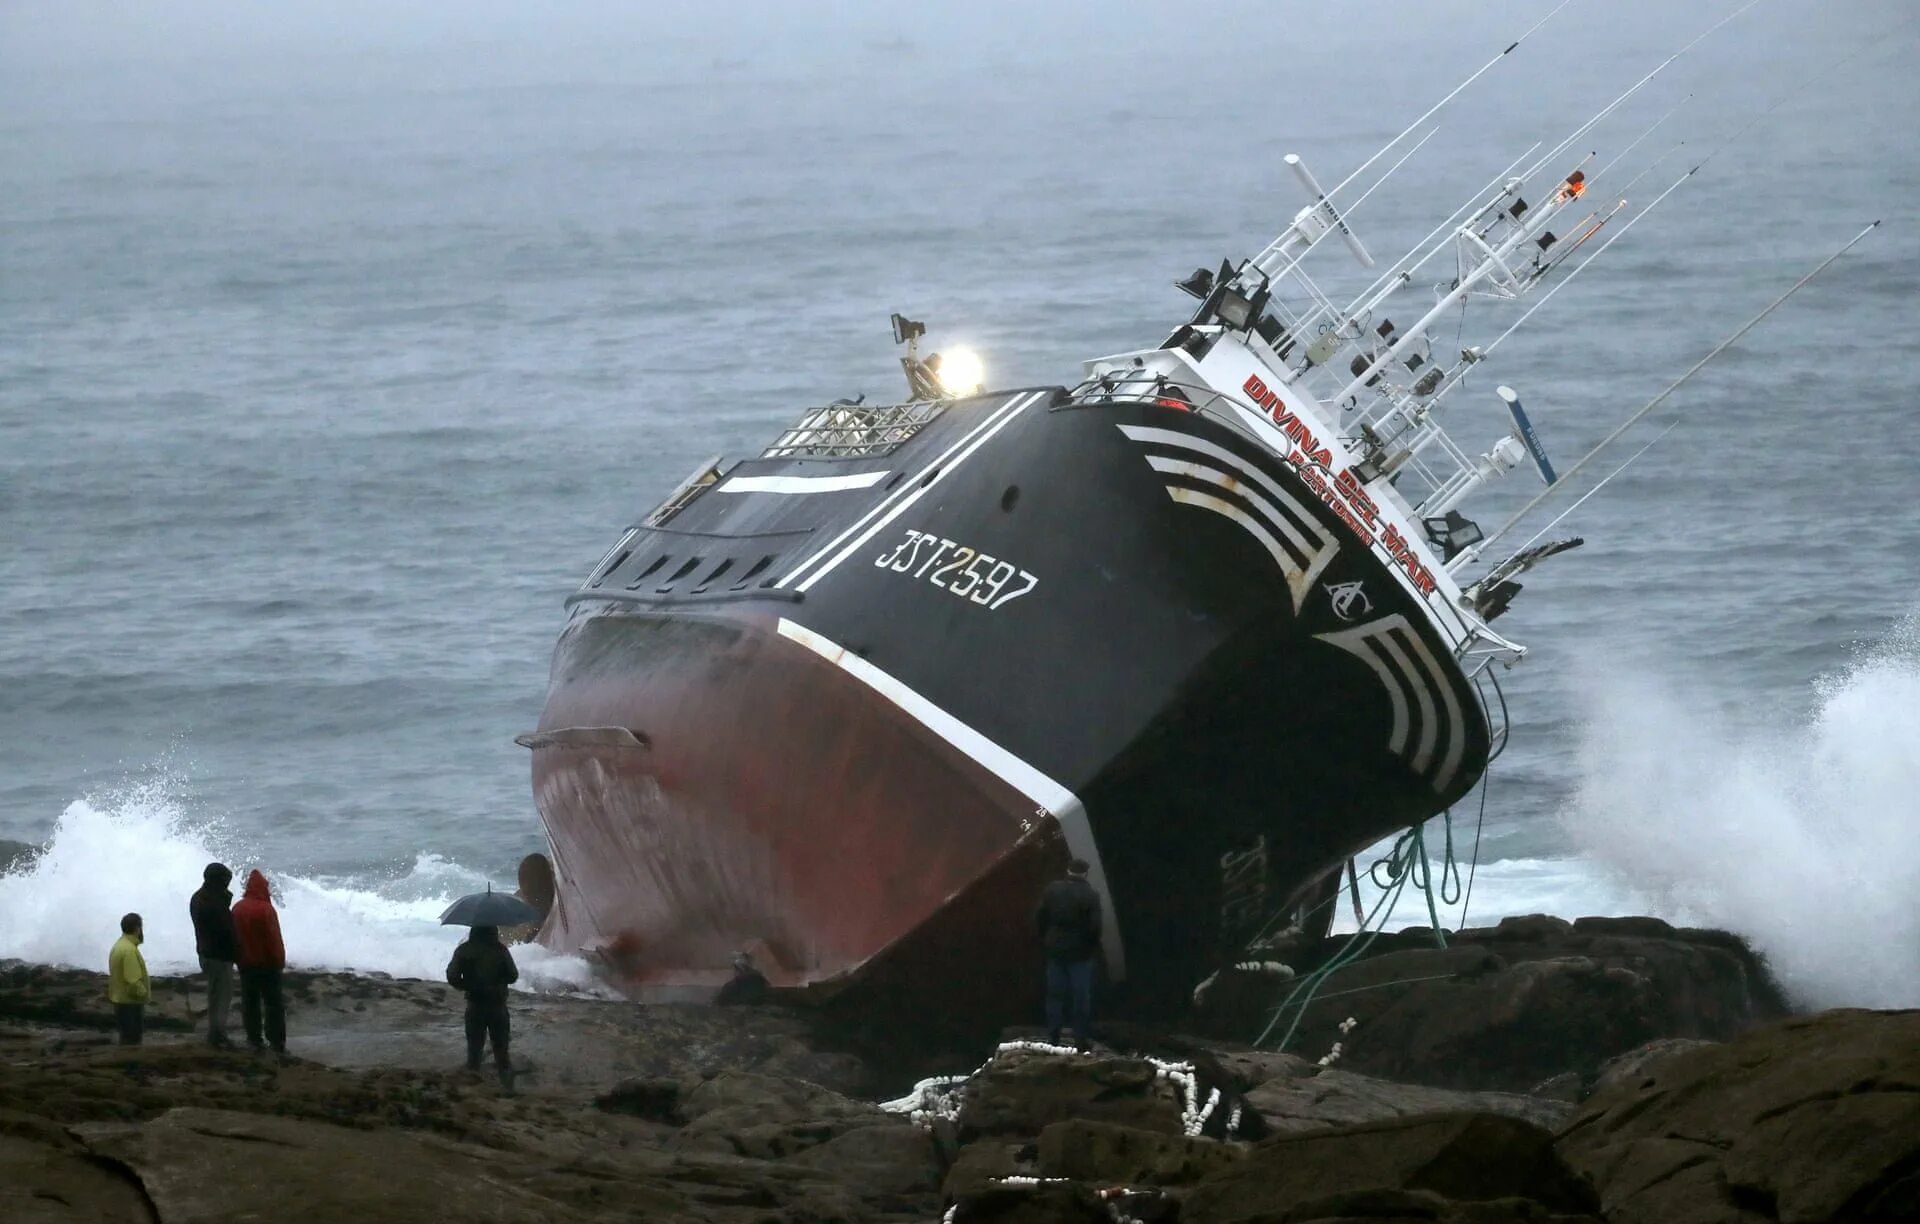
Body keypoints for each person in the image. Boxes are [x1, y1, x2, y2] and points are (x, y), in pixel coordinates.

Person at [1035, 858, 1103, 1048]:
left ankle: (1053, 1036)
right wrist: (1091, 947)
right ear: (1086, 874)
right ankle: (1080, 1038)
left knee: (1055, 994)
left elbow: (1040, 916)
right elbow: (1095, 927)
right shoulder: (1090, 895)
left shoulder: (1052, 889)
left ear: (1068, 870)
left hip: (1055, 949)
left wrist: (1046, 938)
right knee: (1080, 995)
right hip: (1080, 953)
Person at [446, 925, 518, 1088]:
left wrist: (468, 986)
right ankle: (508, 1088)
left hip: (475, 1005)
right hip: (498, 1006)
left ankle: (473, 1089)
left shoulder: (464, 950)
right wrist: (499, 981)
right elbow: (513, 976)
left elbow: (452, 976)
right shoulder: (501, 950)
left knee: (474, 1050)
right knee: (501, 1051)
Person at [231, 869, 287, 1055]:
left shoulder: (237, 908)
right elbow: (273, 939)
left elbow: (233, 938)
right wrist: (280, 961)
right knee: (273, 1004)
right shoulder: (266, 909)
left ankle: (254, 1039)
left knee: (250, 1002)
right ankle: (276, 1041)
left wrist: (236, 958)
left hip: (246, 964)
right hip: (268, 965)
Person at [189, 862, 239, 1047]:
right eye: (226, 881)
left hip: (206, 953)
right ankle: (217, 1035)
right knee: (222, 997)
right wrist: (238, 954)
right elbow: (226, 932)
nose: (228, 885)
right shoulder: (213, 903)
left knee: (215, 994)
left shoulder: (198, 898)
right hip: (219, 956)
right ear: (218, 881)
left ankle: (215, 1032)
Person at [107, 912, 150, 1045]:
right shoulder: (129, 951)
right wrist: (144, 994)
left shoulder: (119, 945)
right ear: (137, 928)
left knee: (125, 1041)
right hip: (130, 1004)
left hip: (120, 1001)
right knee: (132, 1043)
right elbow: (133, 981)